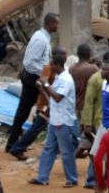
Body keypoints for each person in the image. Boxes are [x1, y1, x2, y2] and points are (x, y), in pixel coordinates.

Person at [6, 12, 59, 153]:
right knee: (31, 111)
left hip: (36, 78)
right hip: (33, 79)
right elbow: (30, 63)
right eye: (56, 23)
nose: (58, 26)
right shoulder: (41, 40)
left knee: (37, 110)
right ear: (49, 24)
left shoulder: (42, 37)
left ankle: (17, 143)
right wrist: (44, 75)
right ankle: (14, 145)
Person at [9, 46, 67, 160]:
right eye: (64, 54)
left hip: (51, 102)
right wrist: (49, 100)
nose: (66, 57)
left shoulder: (58, 69)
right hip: (45, 104)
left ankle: (56, 148)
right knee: (37, 126)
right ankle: (18, 148)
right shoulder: (49, 68)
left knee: (44, 125)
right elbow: (40, 84)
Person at [29, 53, 78, 187]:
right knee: (48, 148)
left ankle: (72, 179)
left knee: (66, 150)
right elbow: (52, 99)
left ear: (57, 65)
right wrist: (41, 87)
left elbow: (57, 97)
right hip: (55, 119)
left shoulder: (66, 79)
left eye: (51, 64)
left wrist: (45, 84)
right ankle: (42, 177)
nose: (50, 66)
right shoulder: (58, 78)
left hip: (63, 120)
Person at [80, 51, 109, 189]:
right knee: (96, 152)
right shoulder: (95, 79)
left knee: (104, 153)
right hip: (98, 120)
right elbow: (89, 101)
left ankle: (103, 179)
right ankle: (92, 179)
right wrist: (87, 123)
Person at [70, 44, 100, 121]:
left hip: (75, 105)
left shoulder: (71, 68)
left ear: (77, 54)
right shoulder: (93, 68)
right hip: (88, 107)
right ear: (89, 54)